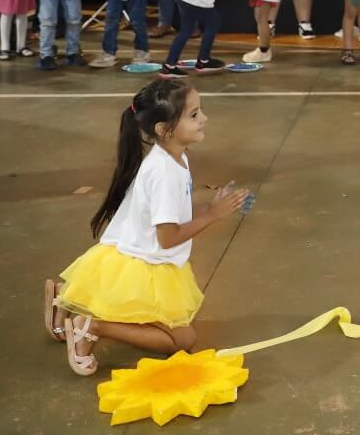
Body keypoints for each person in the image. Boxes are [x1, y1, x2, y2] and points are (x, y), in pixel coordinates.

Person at [47, 79, 251, 375]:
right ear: (163, 129)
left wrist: (208, 208)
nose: (204, 118)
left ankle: (66, 294)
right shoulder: (165, 172)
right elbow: (167, 238)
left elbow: (167, 215)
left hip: (139, 251)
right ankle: (93, 327)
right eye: (194, 115)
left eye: (200, 111)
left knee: (179, 332)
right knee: (182, 341)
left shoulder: (174, 155)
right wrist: (211, 216)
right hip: (145, 264)